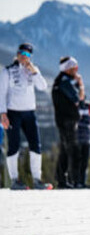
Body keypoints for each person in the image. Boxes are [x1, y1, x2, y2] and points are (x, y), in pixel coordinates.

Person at [0, 43, 51, 190]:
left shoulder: (33, 71)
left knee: (35, 145)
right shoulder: (8, 71)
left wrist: (34, 72)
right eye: (22, 53)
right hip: (12, 113)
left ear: (31, 57)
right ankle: (15, 180)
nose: (24, 56)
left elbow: (42, 86)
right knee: (14, 146)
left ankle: (37, 179)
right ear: (17, 54)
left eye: (28, 54)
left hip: (29, 113)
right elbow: (1, 93)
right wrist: (2, 114)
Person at [52, 56, 85, 188]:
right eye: (74, 67)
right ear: (68, 68)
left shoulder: (63, 80)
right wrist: (81, 84)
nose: (77, 70)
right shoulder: (65, 81)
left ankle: (62, 180)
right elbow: (79, 98)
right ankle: (76, 181)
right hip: (67, 120)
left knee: (65, 150)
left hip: (65, 119)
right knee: (73, 150)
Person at [76, 100, 90, 188]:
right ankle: (75, 182)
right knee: (76, 162)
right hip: (76, 138)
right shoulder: (74, 105)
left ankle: (82, 182)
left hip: (87, 139)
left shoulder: (88, 105)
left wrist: (83, 119)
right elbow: (76, 120)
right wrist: (85, 119)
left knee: (85, 162)